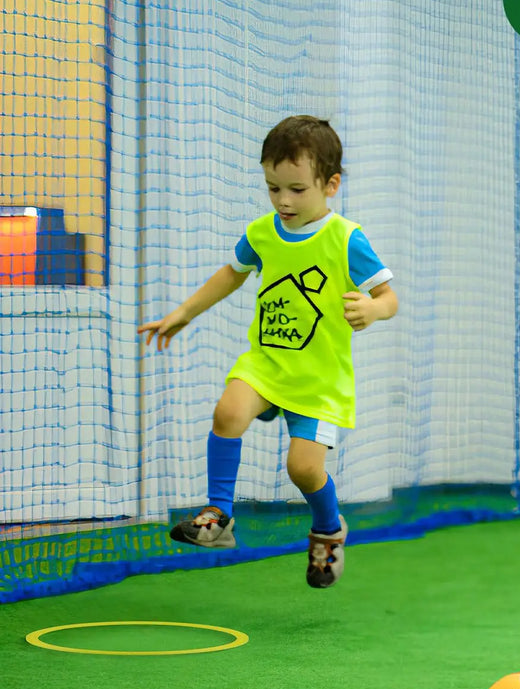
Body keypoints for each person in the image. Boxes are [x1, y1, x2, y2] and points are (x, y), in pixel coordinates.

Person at [139, 115, 397, 589]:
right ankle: (219, 516)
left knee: (302, 469)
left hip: (319, 379)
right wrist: (183, 313)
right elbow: (231, 274)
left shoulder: (346, 239)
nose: (283, 200)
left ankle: (327, 531)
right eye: (273, 187)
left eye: (296, 189)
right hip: (266, 363)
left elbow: (389, 298)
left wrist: (373, 309)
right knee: (228, 411)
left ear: (331, 184)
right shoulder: (262, 232)